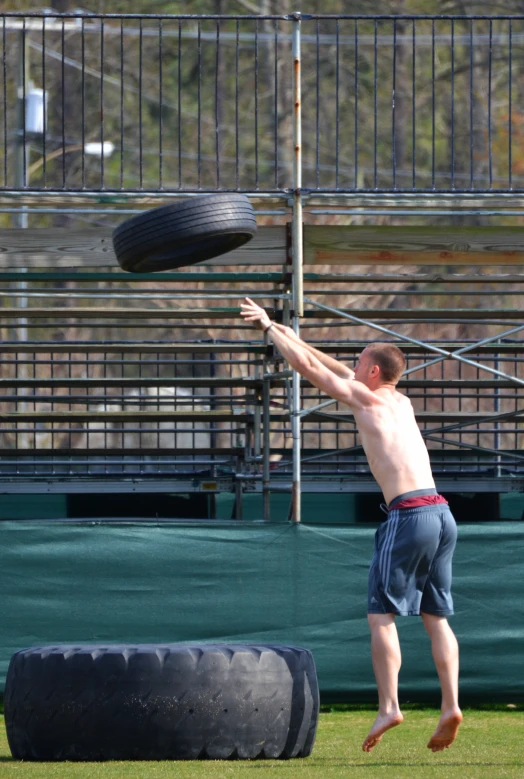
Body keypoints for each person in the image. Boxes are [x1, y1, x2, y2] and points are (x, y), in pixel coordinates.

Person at [240, 297, 462, 754]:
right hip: (442, 515)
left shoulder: (364, 398)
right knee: (435, 616)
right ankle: (450, 705)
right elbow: (331, 363)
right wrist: (285, 328)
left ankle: (389, 704)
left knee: (381, 615)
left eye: (360, 362)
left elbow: (307, 366)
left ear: (374, 373)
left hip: (409, 516)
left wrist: (268, 327)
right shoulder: (398, 399)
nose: (353, 366)